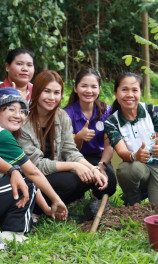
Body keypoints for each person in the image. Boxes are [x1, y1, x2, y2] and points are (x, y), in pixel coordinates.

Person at [18, 70, 109, 207]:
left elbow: (70, 150)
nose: (51, 97)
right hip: (30, 177)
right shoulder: (23, 122)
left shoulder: (62, 116)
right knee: (70, 181)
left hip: (54, 172)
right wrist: (74, 166)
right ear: (36, 91)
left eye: (56, 93)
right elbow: (36, 165)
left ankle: (60, 201)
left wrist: (94, 169)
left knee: (98, 178)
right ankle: (37, 206)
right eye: (46, 91)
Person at [0, 87, 67, 241]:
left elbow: (28, 173)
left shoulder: (6, 136)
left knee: (22, 177)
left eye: (23, 111)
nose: (18, 115)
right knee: (26, 182)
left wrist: (46, 208)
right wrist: (57, 200)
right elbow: (33, 173)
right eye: (11, 109)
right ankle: (12, 233)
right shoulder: (3, 136)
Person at [105, 72, 158, 207]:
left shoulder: (153, 111)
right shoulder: (112, 122)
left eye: (134, 90)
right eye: (124, 90)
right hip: (137, 166)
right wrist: (135, 155)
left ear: (140, 92)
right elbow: (121, 152)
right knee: (126, 169)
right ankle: (134, 201)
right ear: (115, 92)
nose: (130, 95)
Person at [64, 68, 116, 197]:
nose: (89, 91)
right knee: (72, 183)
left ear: (99, 89)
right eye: (84, 86)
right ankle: (78, 196)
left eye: (94, 87)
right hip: (75, 159)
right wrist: (79, 138)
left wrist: (102, 166)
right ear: (75, 88)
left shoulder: (106, 111)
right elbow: (67, 150)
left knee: (109, 185)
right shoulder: (66, 114)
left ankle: (95, 195)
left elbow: (109, 144)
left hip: (98, 157)